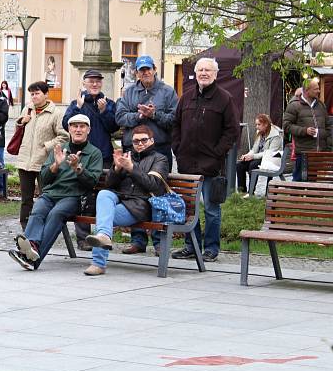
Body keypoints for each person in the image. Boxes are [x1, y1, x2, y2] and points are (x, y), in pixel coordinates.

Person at [8, 114, 103, 270]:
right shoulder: (59, 150)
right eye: (74, 126)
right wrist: (56, 165)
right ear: (69, 129)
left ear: (88, 130)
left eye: (82, 126)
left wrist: (77, 168)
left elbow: (91, 182)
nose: (78, 130)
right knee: (38, 210)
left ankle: (32, 258)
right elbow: (44, 179)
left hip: (75, 197)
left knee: (56, 214)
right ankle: (32, 245)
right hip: (51, 194)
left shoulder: (94, 153)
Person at [171, 57, 238, 262]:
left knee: (211, 209)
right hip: (186, 164)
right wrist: (178, 149)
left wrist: (217, 152)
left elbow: (232, 131)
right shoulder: (187, 97)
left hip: (211, 165)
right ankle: (191, 246)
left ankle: (211, 249)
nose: (203, 73)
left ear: (216, 74)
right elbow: (175, 125)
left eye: (208, 70)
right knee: (189, 209)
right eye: (200, 70)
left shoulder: (224, 99)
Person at [84, 125, 169, 276]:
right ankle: (103, 237)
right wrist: (116, 169)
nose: (140, 144)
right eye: (136, 141)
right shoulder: (127, 156)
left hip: (140, 206)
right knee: (104, 194)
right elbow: (110, 184)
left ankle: (98, 263)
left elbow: (154, 186)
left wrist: (131, 168)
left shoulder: (160, 159)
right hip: (120, 199)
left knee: (104, 218)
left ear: (152, 140)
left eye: (144, 140)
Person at [115, 55, 178, 254]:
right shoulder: (129, 92)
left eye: (148, 69)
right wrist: (139, 115)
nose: (145, 73)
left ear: (154, 69)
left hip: (159, 149)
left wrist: (154, 115)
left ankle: (159, 242)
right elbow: (120, 116)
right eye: (141, 70)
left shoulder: (167, 92)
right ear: (136, 73)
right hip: (134, 150)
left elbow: (175, 119)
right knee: (133, 192)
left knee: (157, 194)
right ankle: (138, 240)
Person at [63, 69, 118, 250]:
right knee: (82, 194)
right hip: (83, 155)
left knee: (105, 194)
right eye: (91, 81)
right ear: (84, 83)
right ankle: (83, 238)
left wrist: (103, 112)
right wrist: (78, 108)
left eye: (97, 81)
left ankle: (103, 234)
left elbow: (113, 126)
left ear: (101, 84)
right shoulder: (76, 103)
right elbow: (66, 124)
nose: (94, 84)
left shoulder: (108, 104)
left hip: (104, 156)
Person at [15, 81, 69, 229]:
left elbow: (64, 136)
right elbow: (19, 129)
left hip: (44, 161)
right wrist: (21, 121)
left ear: (46, 94)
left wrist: (47, 146)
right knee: (26, 198)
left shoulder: (56, 113)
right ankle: (26, 227)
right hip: (25, 160)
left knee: (45, 196)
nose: (34, 97)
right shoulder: (28, 109)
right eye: (32, 94)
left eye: (37, 93)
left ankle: (44, 225)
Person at [283, 78, 332, 181]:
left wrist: (320, 134)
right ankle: (295, 197)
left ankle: (309, 197)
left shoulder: (321, 105)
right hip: (303, 153)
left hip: (318, 153)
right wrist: (305, 131)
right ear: (306, 91)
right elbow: (286, 126)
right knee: (298, 181)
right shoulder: (294, 106)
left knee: (312, 181)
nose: (318, 91)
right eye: (315, 89)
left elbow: (328, 128)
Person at [236, 114, 283, 194]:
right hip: (259, 158)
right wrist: (247, 155)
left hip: (271, 160)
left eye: (259, 124)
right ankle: (242, 191)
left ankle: (250, 192)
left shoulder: (276, 136)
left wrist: (252, 156)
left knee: (253, 165)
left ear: (266, 124)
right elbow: (254, 149)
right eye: (256, 124)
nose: (256, 127)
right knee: (240, 165)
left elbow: (269, 153)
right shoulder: (260, 133)